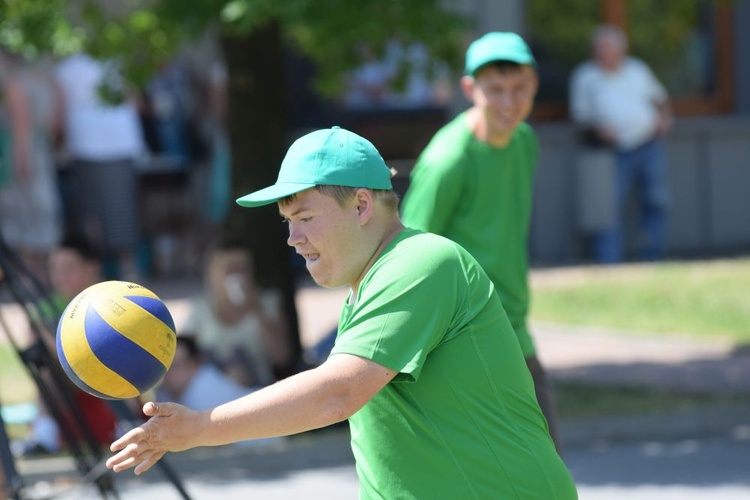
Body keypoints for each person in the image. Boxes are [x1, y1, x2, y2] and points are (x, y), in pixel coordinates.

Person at [107, 126, 578, 499]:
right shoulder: (370, 284)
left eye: (306, 218)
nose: (293, 239)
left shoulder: (421, 263)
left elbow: (339, 392)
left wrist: (198, 428)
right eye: (288, 222)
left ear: (361, 205)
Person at [399, 31, 562, 450]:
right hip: (465, 338)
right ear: (470, 89)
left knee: (545, 472)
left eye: (519, 88)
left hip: (513, 326)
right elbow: (407, 255)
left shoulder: (525, 141)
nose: (510, 103)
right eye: (496, 90)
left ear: (535, 84)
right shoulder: (449, 159)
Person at [569, 24, 673, 264]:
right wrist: (599, 131)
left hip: (648, 144)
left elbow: (660, 98)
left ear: (621, 50)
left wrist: (665, 120)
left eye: (608, 48)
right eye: (599, 49)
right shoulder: (585, 76)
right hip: (611, 151)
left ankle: (652, 259)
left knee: (655, 201)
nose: (602, 53)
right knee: (608, 208)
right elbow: (580, 117)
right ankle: (609, 264)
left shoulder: (638, 69)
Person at [13, 234, 118, 455]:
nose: (60, 277)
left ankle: (124, 422)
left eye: (68, 268)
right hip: (68, 392)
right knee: (46, 364)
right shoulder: (45, 309)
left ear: (92, 268)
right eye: (55, 269)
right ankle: (44, 431)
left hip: (111, 388)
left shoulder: (116, 300)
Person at [55, 52, 148, 281]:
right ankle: (128, 271)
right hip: (118, 143)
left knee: (93, 214)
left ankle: (96, 274)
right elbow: (136, 102)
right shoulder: (117, 60)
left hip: (85, 143)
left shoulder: (66, 67)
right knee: (121, 212)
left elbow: (59, 109)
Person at [181, 237, 292, 388]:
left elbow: (282, 358)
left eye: (243, 267)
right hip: (213, 388)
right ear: (212, 274)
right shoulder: (200, 309)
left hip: (258, 389)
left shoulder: (268, 302)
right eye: (229, 268)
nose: (237, 274)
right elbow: (183, 353)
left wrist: (256, 309)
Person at [0, 50, 63, 285]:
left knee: (24, 216)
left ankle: (30, 280)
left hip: (22, 154)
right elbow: (55, 123)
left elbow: (21, 125)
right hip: (41, 151)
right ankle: (43, 279)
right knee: (41, 215)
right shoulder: (43, 80)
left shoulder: (14, 84)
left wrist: (21, 159)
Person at [156, 335, 256, 411]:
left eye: (177, 366)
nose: (169, 372)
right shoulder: (164, 391)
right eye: (166, 366)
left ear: (195, 364)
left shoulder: (205, 390)